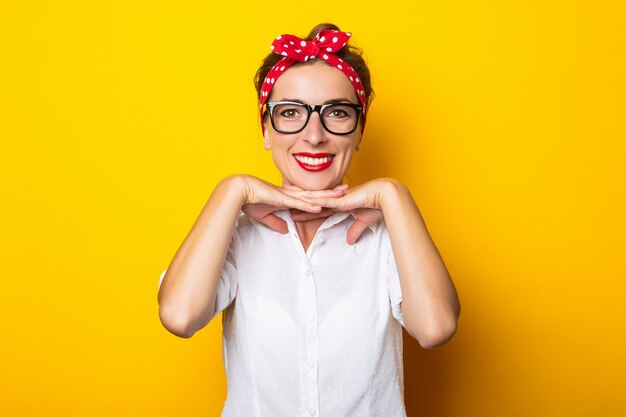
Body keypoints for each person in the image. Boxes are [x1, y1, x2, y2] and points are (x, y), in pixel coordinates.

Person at [157, 23, 460, 417]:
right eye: (290, 113)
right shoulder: (233, 236)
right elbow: (179, 317)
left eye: (336, 112)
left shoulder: (390, 237)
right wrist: (231, 190)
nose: (313, 135)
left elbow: (436, 328)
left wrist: (394, 195)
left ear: (360, 129)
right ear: (266, 129)